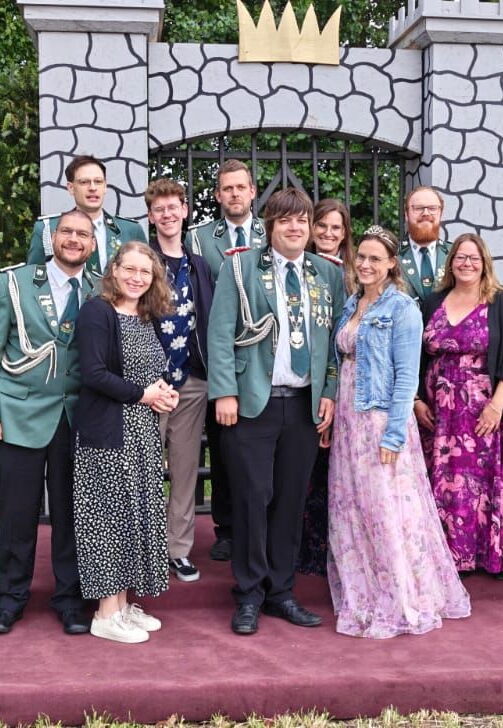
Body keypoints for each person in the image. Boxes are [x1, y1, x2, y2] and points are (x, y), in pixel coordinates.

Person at [208, 187, 345, 635]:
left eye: (302, 220)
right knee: (252, 499)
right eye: (285, 220)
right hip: (252, 403)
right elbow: (220, 332)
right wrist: (224, 393)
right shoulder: (240, 266)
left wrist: (329, 391)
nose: (295, 227)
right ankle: (249, 593)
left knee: (290, 502)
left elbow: (335, 343)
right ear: (270, 226)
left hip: (303, 406)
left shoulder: (328, 273)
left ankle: (281, 592)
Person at [327, 224, 470, 639]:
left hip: (380, 419)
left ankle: (401, 598)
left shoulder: (403, 307)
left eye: (376, 258)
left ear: (392, 263)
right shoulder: (351, 303)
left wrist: (393, 435)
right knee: (355, 508)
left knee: (387, 509)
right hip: (349, 420)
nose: (366, 264)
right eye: (362, 256)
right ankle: (365, 589)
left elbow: (407, 376)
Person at [72, 242, 179, 644]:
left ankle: (121, 605)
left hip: (141, 432)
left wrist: (163, 392)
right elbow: (94, 373)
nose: (137, 277)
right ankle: (105, 613)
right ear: (114, 270)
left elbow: (147, 373)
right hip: (107, 432)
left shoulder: (146, 315)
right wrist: (144, 395)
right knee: (107, 520)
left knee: (132, 517)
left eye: (145, 272)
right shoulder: (97, 311)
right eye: (129, 269)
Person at [0, 209, 98, 635]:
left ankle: (70, 599)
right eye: (67, 232)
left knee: (71, 513)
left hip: (76, 418)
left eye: (83, 234)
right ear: (52, 238)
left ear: (92, 244)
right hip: (18, 413)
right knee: (15, 513)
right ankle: (9, 597)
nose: (74, 239)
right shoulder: (14, 283)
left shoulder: (100, 290)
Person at [186, 160, 267, 562]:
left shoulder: (272, 233)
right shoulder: (199, 239)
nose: (234, 194)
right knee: (222, 448)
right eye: (227, 189)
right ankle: (227, 529)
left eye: (240, 187)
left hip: (264, 357)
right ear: (218, 195)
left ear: (252, 191)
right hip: (217, 355)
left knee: (262, 448)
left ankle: (263, 527)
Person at [415, 233, 503, 576]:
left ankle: (483, 557)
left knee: (480, 481)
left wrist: (497, 406)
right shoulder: (432, 301)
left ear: (484, 263)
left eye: (473, 258)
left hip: (482, 410)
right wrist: (416, 400)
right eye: (460, 257)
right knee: (444, 478)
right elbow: (416, 355)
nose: (467, 263)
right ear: (451, 263)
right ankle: (449, 555)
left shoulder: (498, 301)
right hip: (437, 412)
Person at [145, 178, 213, 583]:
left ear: (185, 211)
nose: (168, 214)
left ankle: (178, 549)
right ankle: (144, 548)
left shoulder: (199, 265)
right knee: (144, 469)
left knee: (185, 470)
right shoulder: (142, 260)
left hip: (191, 380)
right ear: (151, 216)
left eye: (174, 207)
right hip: (148, 385)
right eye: (160, 209)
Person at [298, 198, 356, 576]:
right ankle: (304, 547)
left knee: (335, 472)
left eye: (336, 228)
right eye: (322, 226)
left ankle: (334, 550)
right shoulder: (298, 267)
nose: (328, 233)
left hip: (341, 383)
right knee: (304, 472)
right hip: (303, 380)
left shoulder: (353, 274)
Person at [27, 154, 147, 274]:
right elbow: (34, 278)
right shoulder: (47, 229)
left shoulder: (131, 230)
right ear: (71, 188)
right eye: (84, 182)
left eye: (98, 182)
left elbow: (147, 273)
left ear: (105, 186)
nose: (93, 188)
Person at [398, 186, 452, 303]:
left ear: (441, 213)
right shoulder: (391, 255)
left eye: (432, 208)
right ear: (406, 214)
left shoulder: (454, 254)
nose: (426, 213)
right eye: (418, 208)